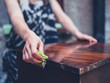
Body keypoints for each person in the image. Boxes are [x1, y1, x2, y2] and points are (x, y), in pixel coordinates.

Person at [3, 0, 97, 83]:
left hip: (45, 55)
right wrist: (28, 35)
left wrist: (77, 33)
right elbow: (16, 17)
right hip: (19, 55)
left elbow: (62, 16)